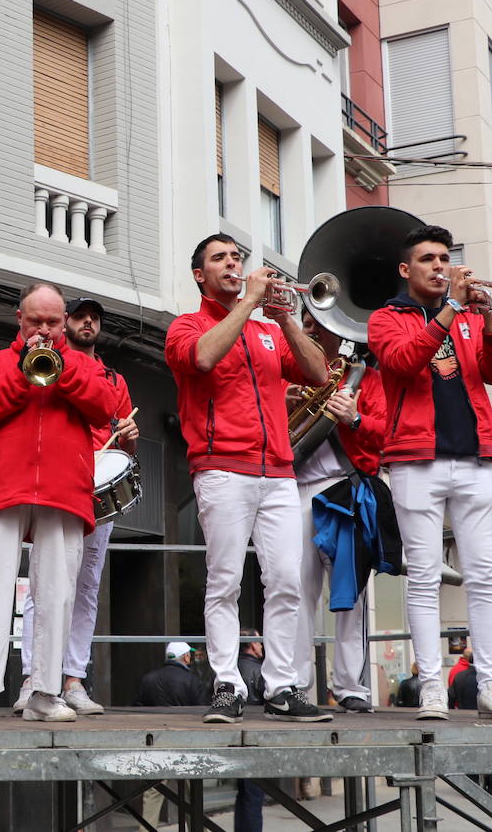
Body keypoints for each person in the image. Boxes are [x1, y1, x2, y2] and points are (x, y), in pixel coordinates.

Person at [164, 234, 331, 723]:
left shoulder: (267, 331)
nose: (233, 264)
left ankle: (281, 687)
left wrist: (284, 318)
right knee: (225, 583)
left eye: (237, 257)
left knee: (285, 581)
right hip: (220, 469)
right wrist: (252, 302)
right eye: (220, 259)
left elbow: (318, 372)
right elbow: (203, 358)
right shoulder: (186, 326)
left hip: (278, 469)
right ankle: (227, 686)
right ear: (201, 275)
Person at [0, 282, 117, 722]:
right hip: (4, 485)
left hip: (64, 489)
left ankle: (44, 692)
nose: (44, 330)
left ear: (65, 323)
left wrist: (64, 372)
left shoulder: (84, 366)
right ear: (19, 318)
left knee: (57, 594)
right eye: (35, 321)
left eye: (53, 323)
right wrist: (21, 372)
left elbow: (105, 406)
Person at [367, 225, 492, 721]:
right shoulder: (385, 318)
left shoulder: (472, 318)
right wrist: (451, 310)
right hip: (416, 459)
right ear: (405, 269)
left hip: (474, 457)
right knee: (424, 577)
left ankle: (491, 687)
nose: (440, 266)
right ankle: (433, 686)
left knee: (483, 576)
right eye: (429, 259)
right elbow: (404, 362)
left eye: (444, 258)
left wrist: (490, 318)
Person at [13, 297, 137, 716]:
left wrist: (130, 437)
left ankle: (72, 679)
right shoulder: (43, 358)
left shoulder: (114, 378)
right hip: (56, 477)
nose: (89, 323)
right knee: (41, 582)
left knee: (85, 588)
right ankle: (32, 677)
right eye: (81, 316)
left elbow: (125, 441)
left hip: (96, 483)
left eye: (95, 318)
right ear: (65, 322)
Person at [290, 308, 388, 714]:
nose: (311, 327)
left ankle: (350, 685)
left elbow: (387, 432)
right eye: (306, 321)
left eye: (319, 322)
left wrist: (355, 418)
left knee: (353, 592)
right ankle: (294, 685)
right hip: (292, 489)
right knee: (294, 589)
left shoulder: (366, 377)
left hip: (344, 487)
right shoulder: (286, 374)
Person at [135, 642, 207, 827]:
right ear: (185, 657)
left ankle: (146, 829)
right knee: (192, 794)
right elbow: (201, 712)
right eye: (189, 655)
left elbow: (138, 709)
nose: (191, 658)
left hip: (156, 743)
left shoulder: (148, 678)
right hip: (186, 743)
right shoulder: (193, 681)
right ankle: (196, 829)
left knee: (152, 792)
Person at [235, 631, 267, 832]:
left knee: (244, 794)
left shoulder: (227, 672)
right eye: (260, 641)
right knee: (254, 795)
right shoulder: (262, 671)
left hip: (232, 739)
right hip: (256, 740)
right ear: (253, 645)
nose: (263, 645)